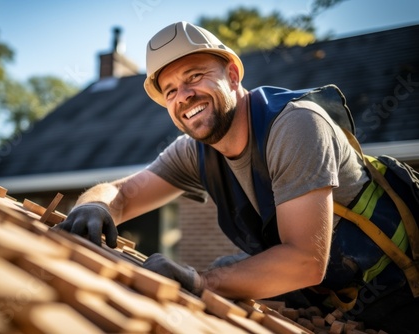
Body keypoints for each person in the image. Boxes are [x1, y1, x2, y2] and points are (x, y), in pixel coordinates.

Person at [54, 21, 419, 333]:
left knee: (222, 273)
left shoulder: (295, 125)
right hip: (343, 313)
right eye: (170, 91)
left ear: (232, 75)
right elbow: (125, 193)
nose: (184, 96)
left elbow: (306, 261)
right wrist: (96, 206)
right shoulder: (195, 151)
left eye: (195, 76)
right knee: (229, 270)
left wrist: (202, 281)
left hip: (406, 294)